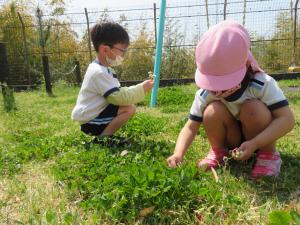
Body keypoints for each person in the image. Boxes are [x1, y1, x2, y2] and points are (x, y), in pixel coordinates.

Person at [167, 20, 295, 179]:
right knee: (212, 111)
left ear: (244, 67)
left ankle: (268, 155)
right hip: (232, 140)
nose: (217, 91)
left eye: (223, 83)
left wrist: (255, 143)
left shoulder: (261, 84)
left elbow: (287, 119)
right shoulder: (207, 93)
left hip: (259, 139)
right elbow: (191, 126)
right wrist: (178, 153)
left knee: (253, 109)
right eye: (212, 83)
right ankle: (219, 151)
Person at [72, 22, 154, 147]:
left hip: (94, 116)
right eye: (122, 51)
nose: (123, 55)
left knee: (128, 107)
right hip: (91, 122)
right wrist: (141, 88)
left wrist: (139, 89)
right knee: (129, 108)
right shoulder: (98, 72)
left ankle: (104, 136)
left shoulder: (104, 69)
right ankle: (103, 139)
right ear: (105, 49)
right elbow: (118, 97)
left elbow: (117, 92)